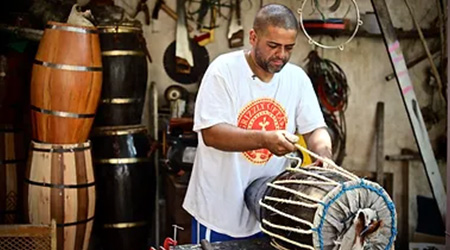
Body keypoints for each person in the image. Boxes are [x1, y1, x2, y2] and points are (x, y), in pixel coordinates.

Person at [182, 3, 332, 244]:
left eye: (288, 48)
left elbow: (315, 129)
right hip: (220, 211)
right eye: (273, 46)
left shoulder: (297, 79)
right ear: (253, 37)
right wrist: (265, 139)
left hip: (271, 211)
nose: (281, 55)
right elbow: (212, 133)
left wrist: (323, 155)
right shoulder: (223, 71)